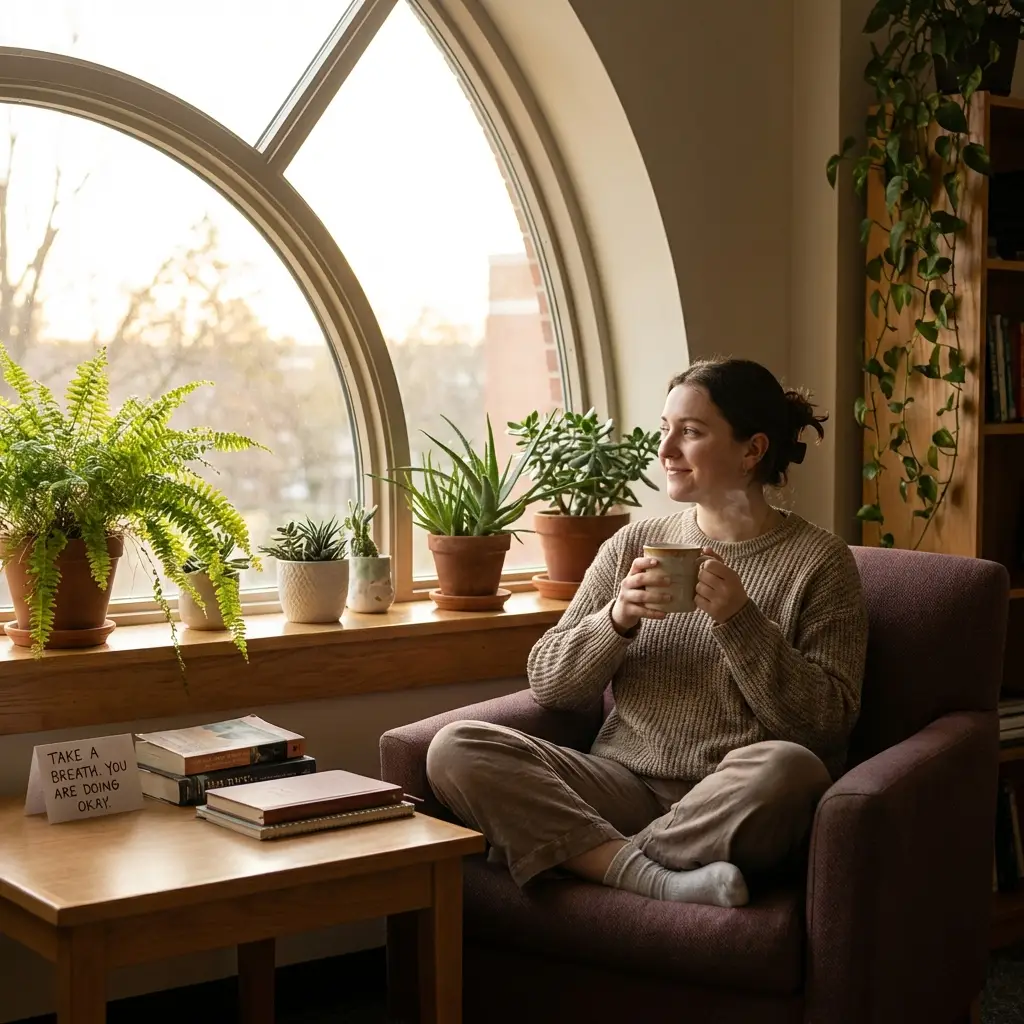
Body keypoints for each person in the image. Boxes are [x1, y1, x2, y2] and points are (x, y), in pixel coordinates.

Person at [426, 357, 869, 908]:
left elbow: (826, 723)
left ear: (752, 450)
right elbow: (550, 685)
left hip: (728, 797)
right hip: (619, 785)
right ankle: (655, 878)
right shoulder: (633, 544)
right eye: (665, 429)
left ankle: (587, 858)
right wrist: (616, 619)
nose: (665, 451)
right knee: (456, 747)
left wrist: (741, 621)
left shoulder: (820, 562)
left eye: (691, 432)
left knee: (791, 769)